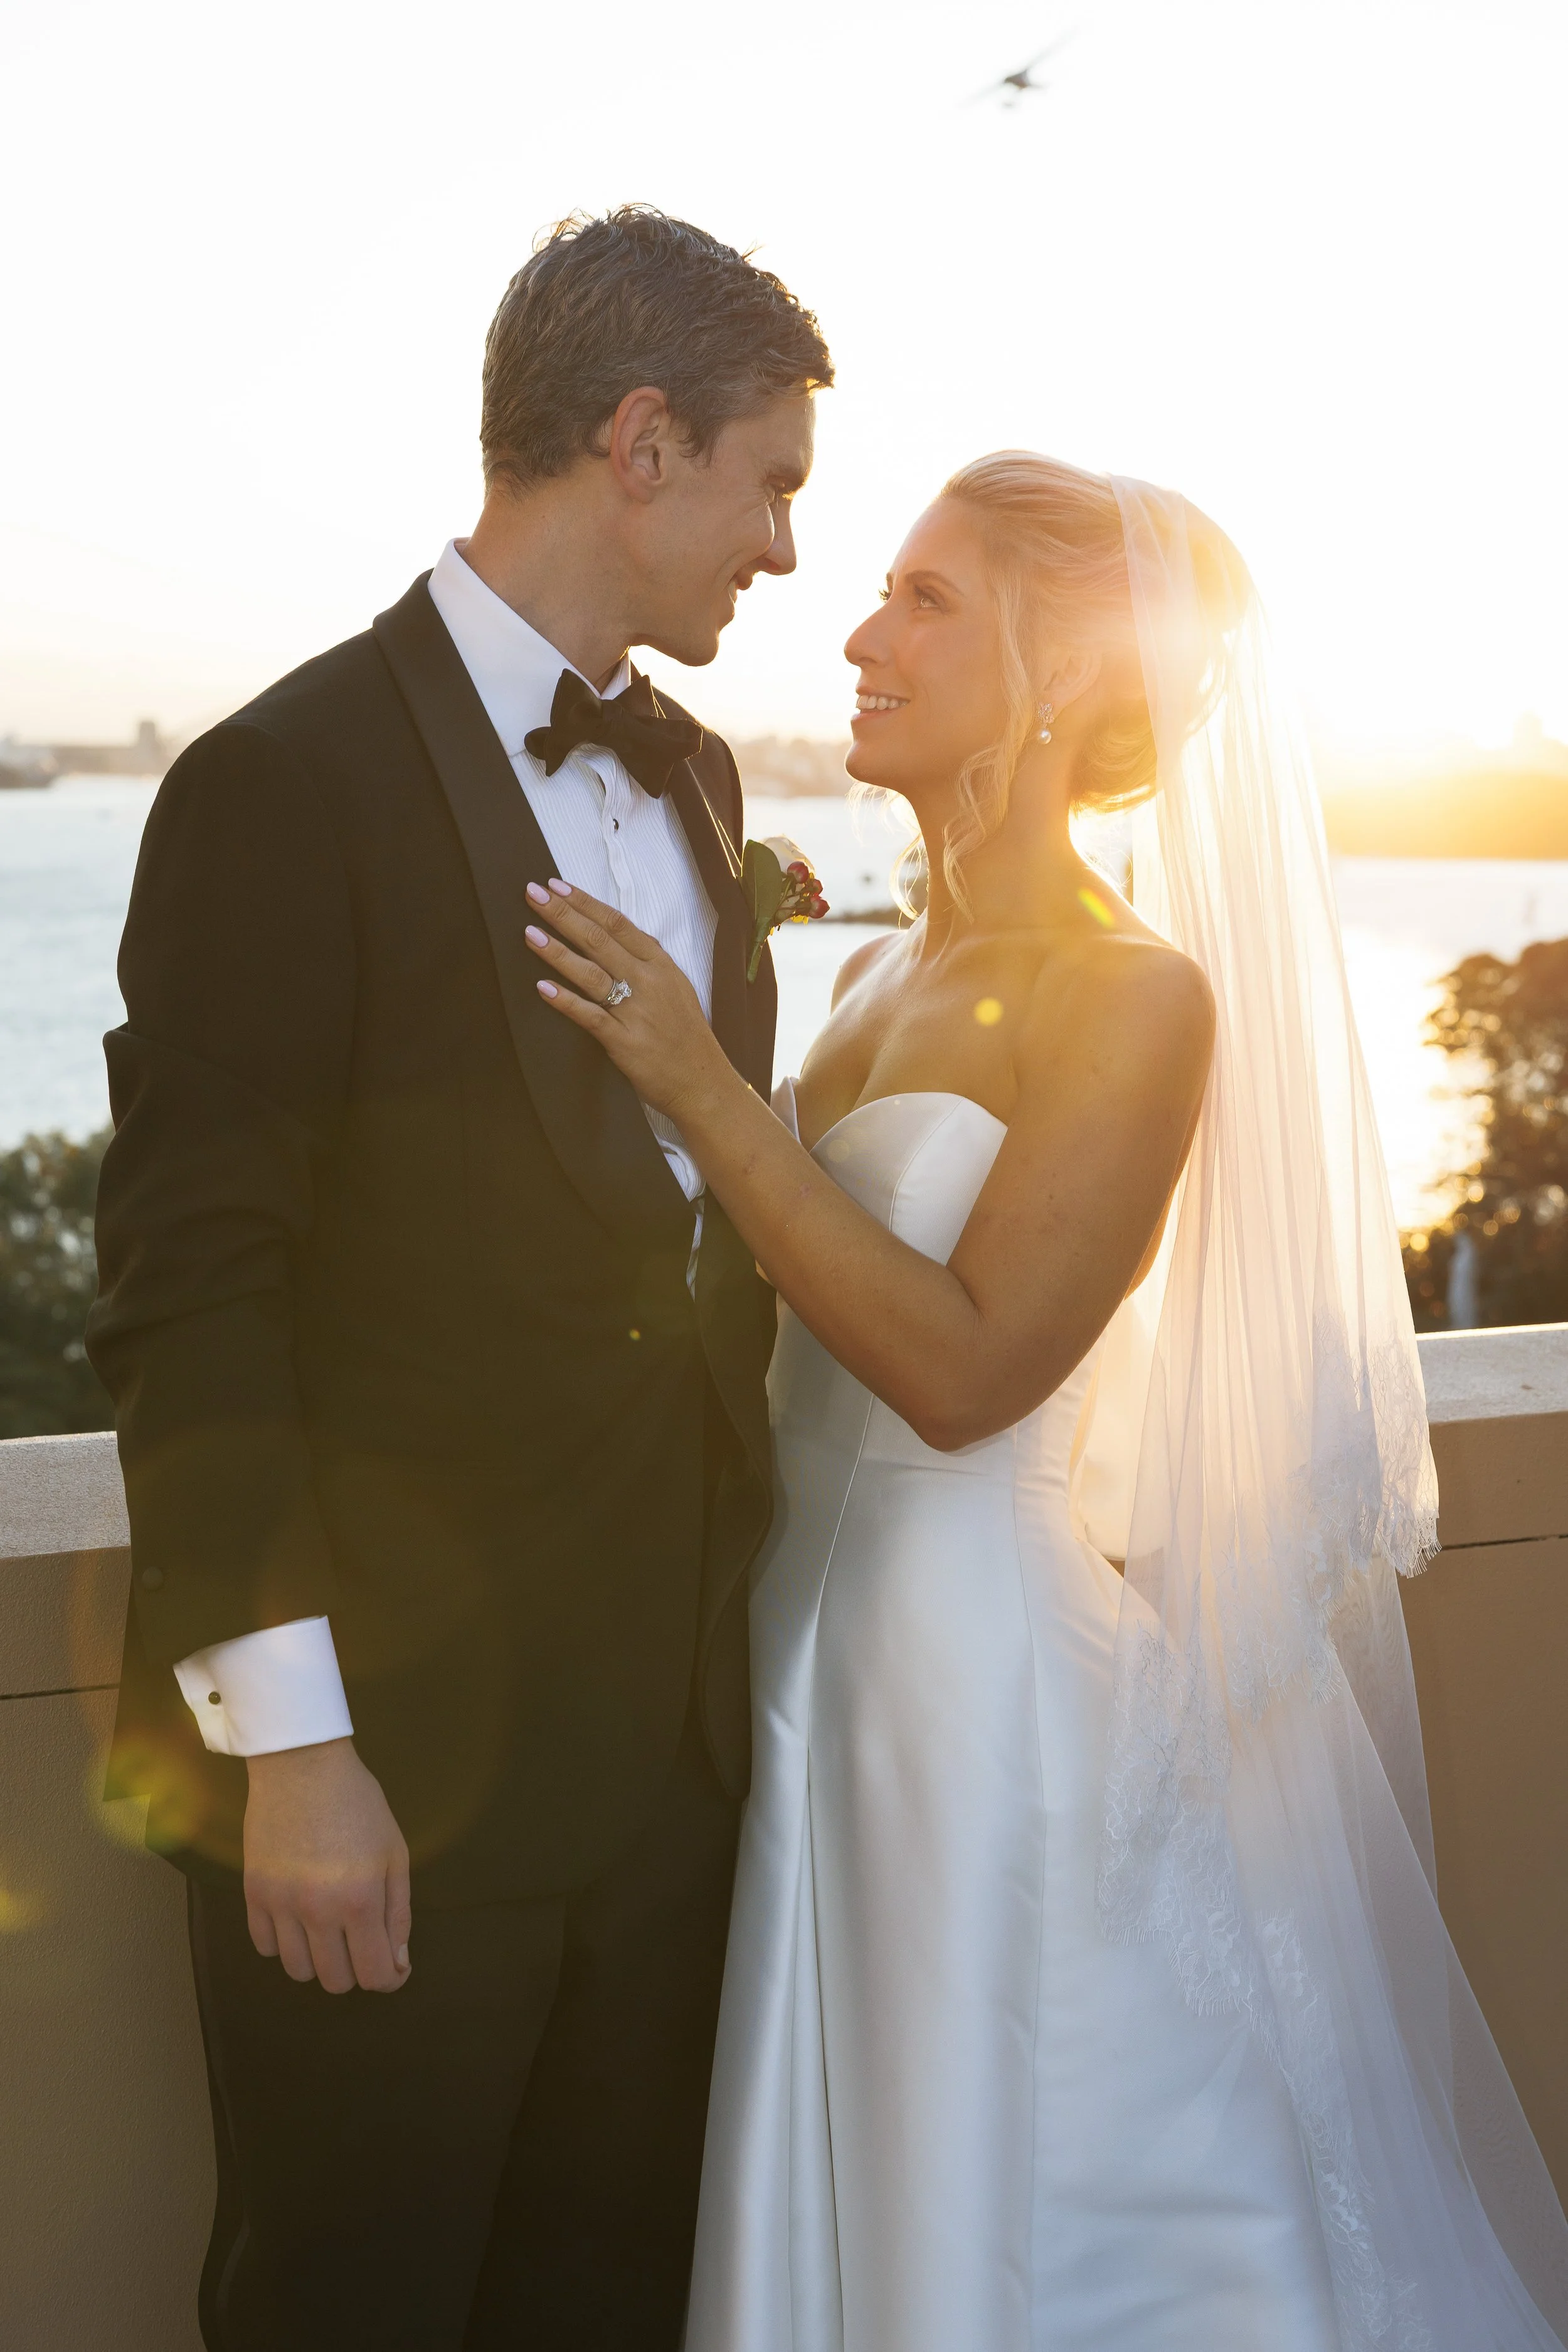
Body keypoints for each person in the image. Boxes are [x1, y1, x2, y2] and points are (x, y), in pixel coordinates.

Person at [526, 455, 1568, 2349]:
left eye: (921, 598)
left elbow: (965, 1365)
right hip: (800, 1664)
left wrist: (697, 1089)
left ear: (1064, 670)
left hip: (982, 1683)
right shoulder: (864, 978)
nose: (856, 632)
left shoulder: (1135, 995)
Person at [85, 206, 831, 2350]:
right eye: (769, 478)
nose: (781, 548)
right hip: (378, 1779)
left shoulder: (692, 780)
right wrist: (297, 1753)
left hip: (672, 1781)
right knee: (356, 2305)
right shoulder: (274, 785)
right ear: (639, 442)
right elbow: (194, 1307)